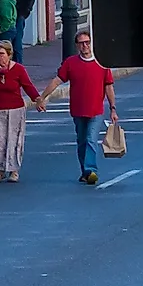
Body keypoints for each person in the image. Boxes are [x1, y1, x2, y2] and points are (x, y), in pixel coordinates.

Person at [49, 26, 117, 185]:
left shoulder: (101, 62)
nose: (85, 46)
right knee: (81, 141)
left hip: (96, 110)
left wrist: (113, 108)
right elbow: (57, 80)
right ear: (77, 45)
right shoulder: (71, 63)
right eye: (81, 43)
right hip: (78, 110)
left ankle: (91, 170)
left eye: (87, 42)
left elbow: (108, 86)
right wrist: (42, 97)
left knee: (91, 139)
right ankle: (84, 171)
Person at [0, 35, 43, 183]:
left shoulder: (18, 69)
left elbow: (28, 86)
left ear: (9, 54)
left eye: (1, 54)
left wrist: (37, 99)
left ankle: (13, 170)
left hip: (14, 110)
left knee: (13, 141)